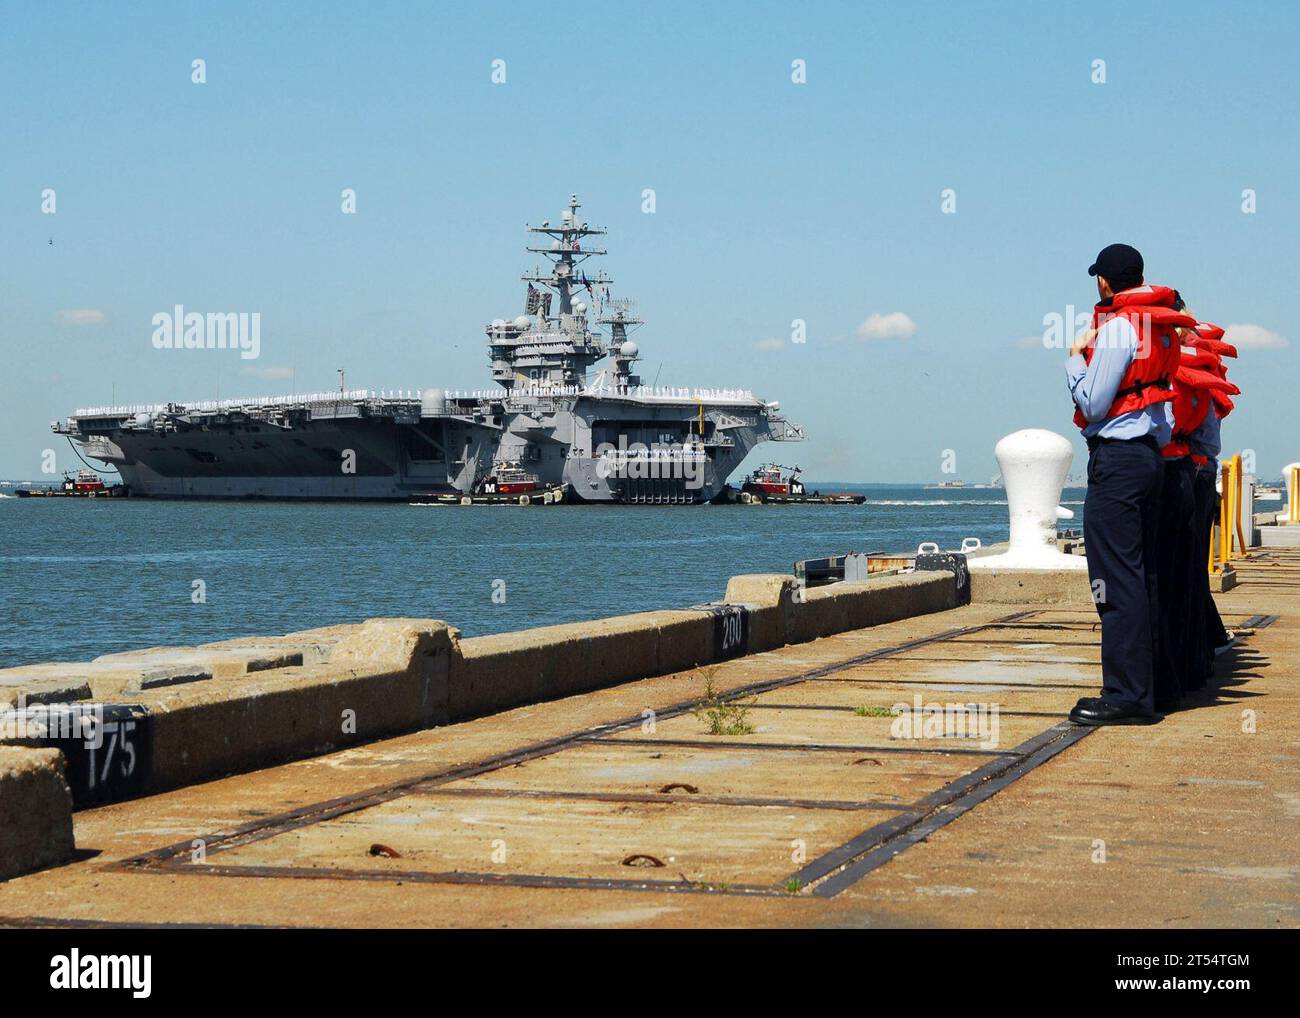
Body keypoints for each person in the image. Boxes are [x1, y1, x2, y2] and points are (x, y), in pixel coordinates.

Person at [1065, 243, 1193, 726]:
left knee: (1116, 582)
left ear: (1104, 282)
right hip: (1152, 460)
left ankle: (1126, 695)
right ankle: (1155, 688)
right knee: (1146, 577)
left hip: (1117, 463)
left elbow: (1095, 403)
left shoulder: (1119, 328)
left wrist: (1074, 360)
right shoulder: (1159, 329)